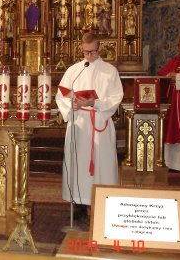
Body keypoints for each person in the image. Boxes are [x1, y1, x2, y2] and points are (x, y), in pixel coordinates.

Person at [55, 32, 123, 219]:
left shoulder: (110, 71)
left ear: (99, 48)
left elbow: (116, 98)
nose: (89, 56)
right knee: (78, 164)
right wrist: (73, 104)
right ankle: (78, 203)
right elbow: (61, 95)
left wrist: (95, 103)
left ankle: (102, 202)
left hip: (99, 123)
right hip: (79, 123)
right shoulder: (74, 71)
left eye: (92, 52)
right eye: (85, 52)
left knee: (101, 165)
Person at [158, 35, 180, 173]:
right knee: (170, 129)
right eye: (179, 44)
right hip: (173, 103)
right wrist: (169, 76)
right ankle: (171, 162)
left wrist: (178, 77)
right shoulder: (175, 60)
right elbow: (163, 73)